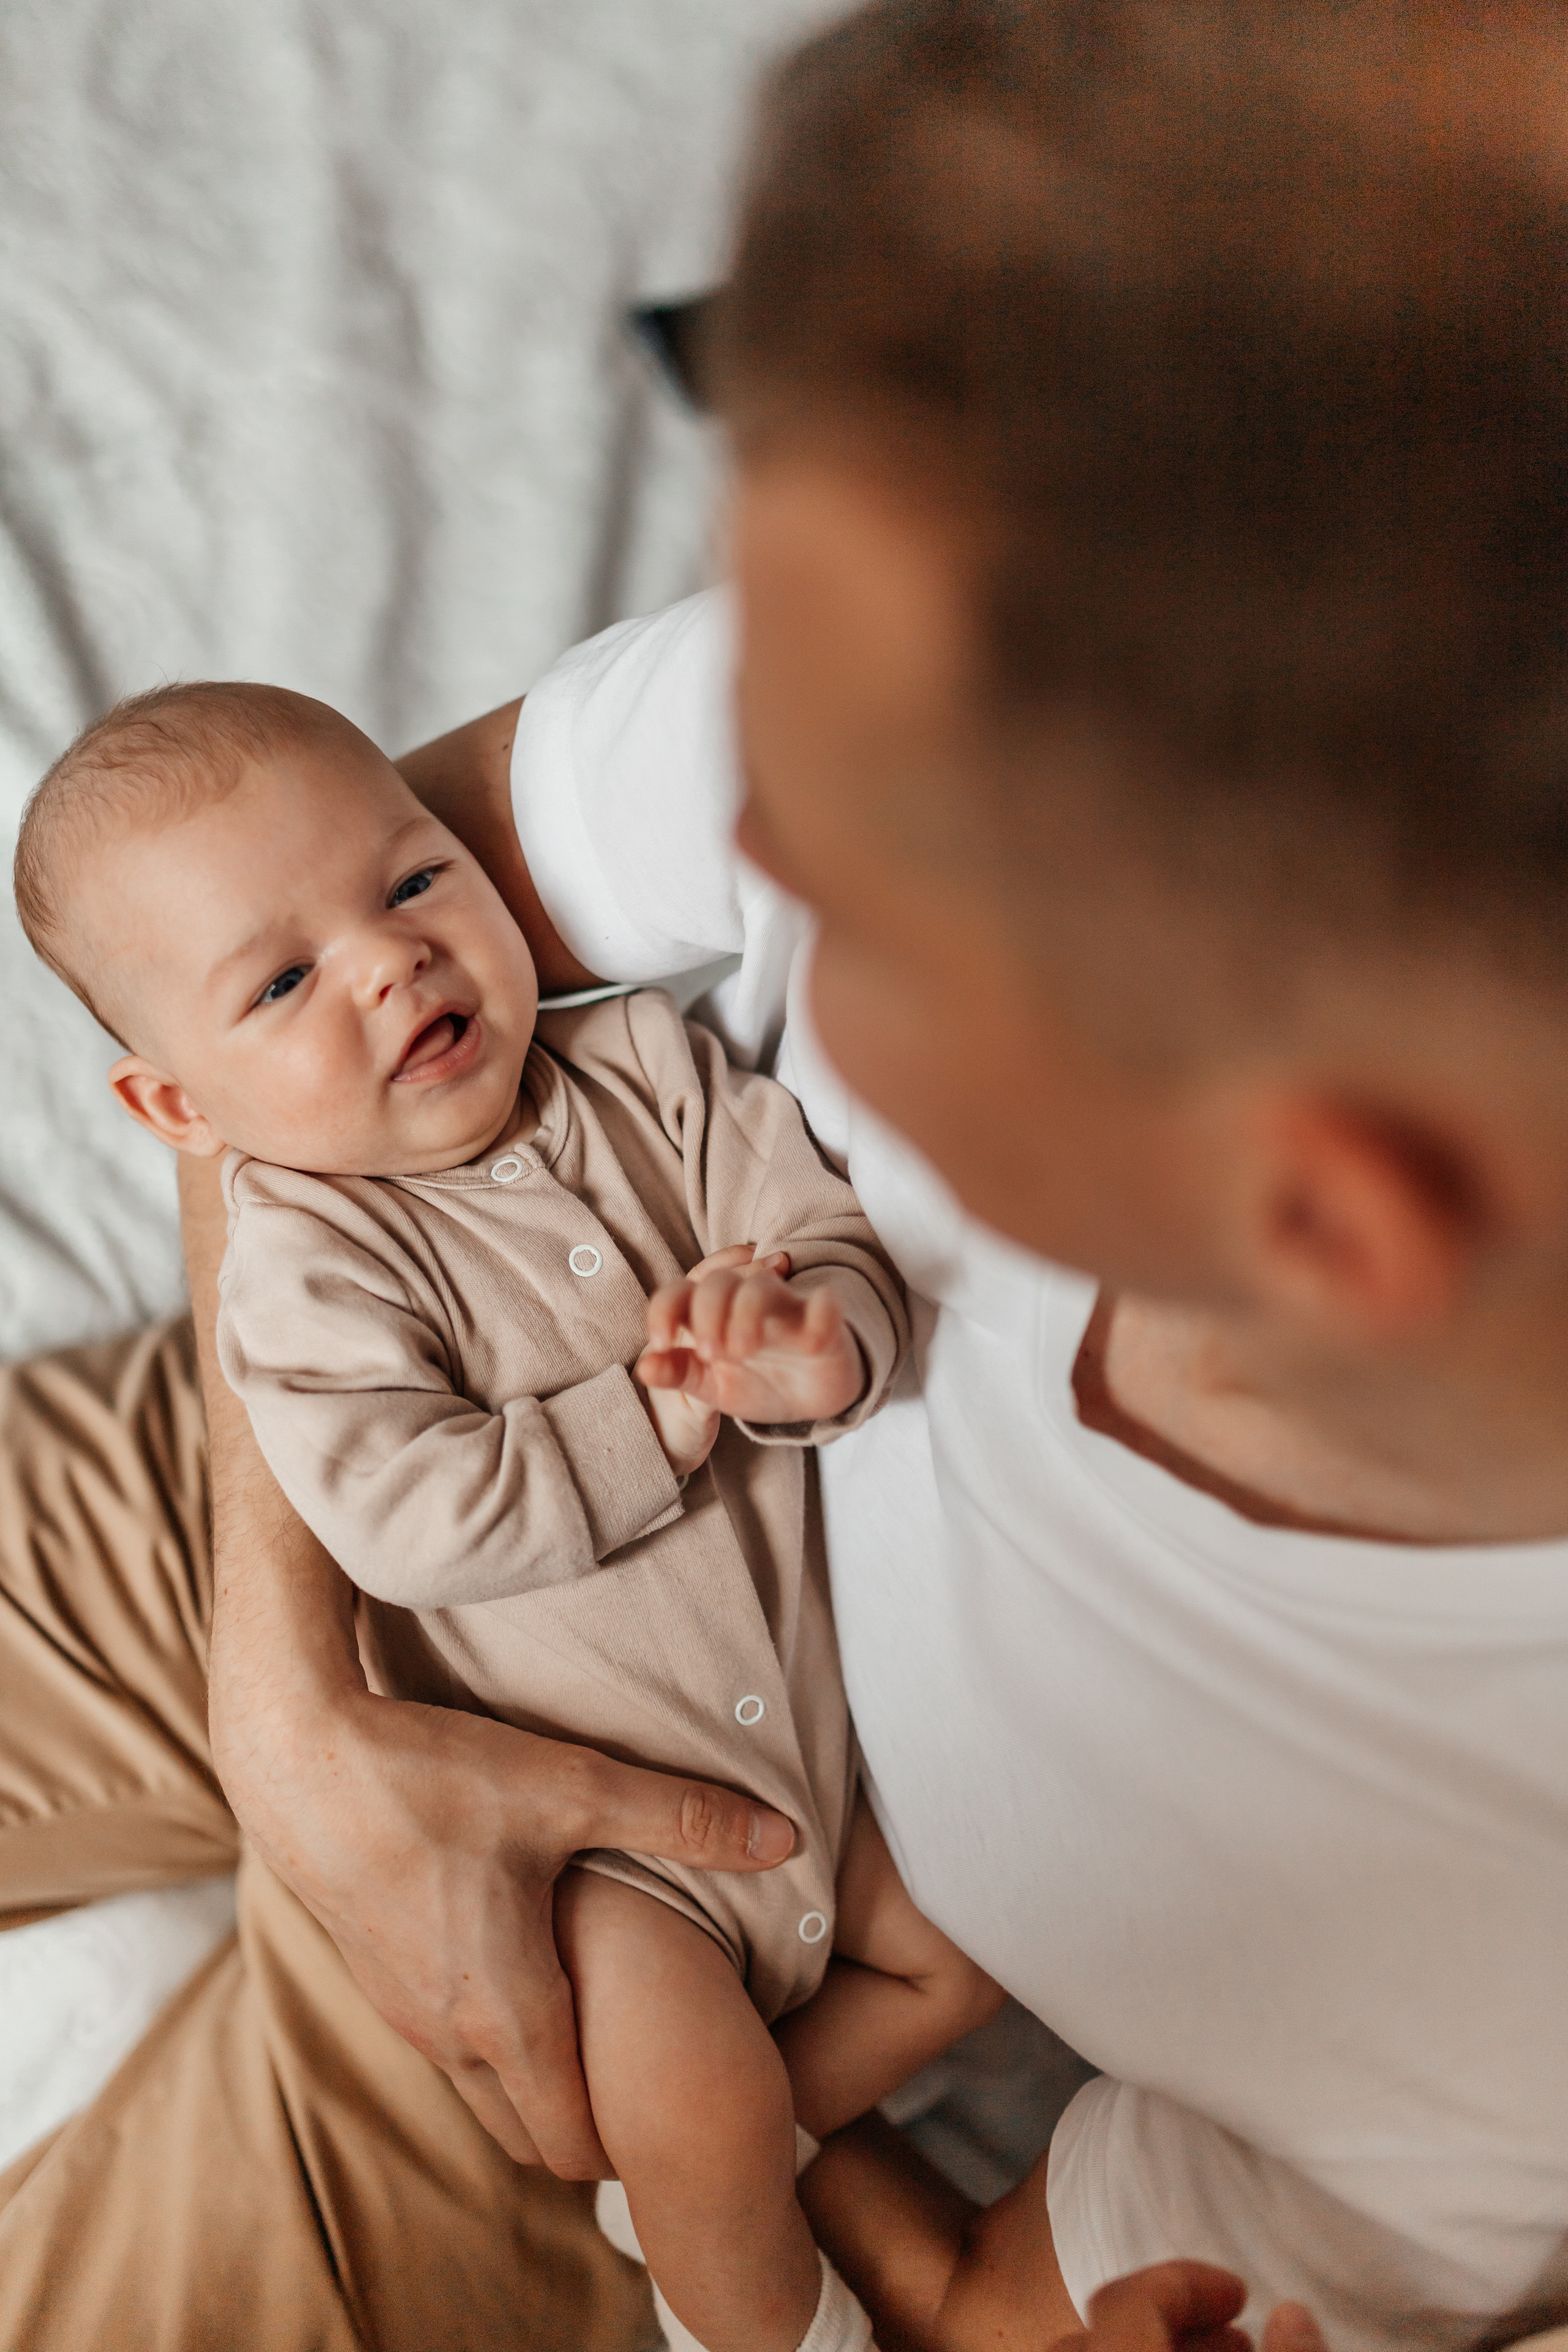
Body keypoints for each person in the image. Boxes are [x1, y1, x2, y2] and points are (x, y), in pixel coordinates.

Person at [4, 2, 1567, 2348]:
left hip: (679, 1918)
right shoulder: (1048, 611)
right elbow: (260, 929)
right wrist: (291, 1686)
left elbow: (1052, 2291)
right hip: (375, 1401)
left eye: (866, 871)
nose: (710, 862)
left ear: (1317, 1212)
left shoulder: (1472, 1995)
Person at [13, 679, 1004, 2352]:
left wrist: (823, 1340)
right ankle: (770, 2324)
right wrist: (666, 1413)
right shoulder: (309, 1266)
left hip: (826, 1773)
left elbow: (811, 1219)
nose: (392, 958)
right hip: (613, 1851)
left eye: (411, 881)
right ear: (180, 1110)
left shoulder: (639, 1065)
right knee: (684, 2090)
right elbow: (412, 1517)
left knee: (955, 1960)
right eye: (281, 981)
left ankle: (716, 2184)